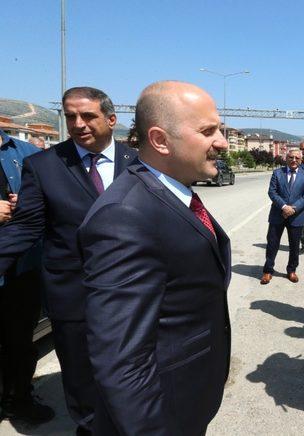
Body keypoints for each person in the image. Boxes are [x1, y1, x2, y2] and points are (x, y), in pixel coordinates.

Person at [77, 81, 231, 435]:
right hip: (162, 411)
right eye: (208, 131)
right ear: (161, 140)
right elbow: (121, 359)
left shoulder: (171, 190)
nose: (221, 141)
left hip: (188, 397)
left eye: (219, 129)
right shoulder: (124, 216)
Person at [0, 87, 137, 434]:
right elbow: (25, 228)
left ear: (110, 118)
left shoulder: (139, 164)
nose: (78, 124)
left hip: (132, 291)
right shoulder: (43, 165)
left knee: (130, 369)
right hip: (71, 295)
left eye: (88, 115)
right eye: (70, 116)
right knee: (79, 375)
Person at [0, 129, 54, 424]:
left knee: (20, 343)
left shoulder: (29, 154)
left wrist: (31, 201)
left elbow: (54, 204)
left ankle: (18, 400)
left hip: (23, 268)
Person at [260, 148, 304, 285]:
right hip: (278, 214)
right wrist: (284, 207)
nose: (294, 160)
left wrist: (293, 209)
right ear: (286, 158)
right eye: (291, 157)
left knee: (294, 246)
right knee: (272, 244)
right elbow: (272, 192)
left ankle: (291, 270)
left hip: (297, 216)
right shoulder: (277, 173)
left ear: (300, 160)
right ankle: (268, 270)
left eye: (297, 158)